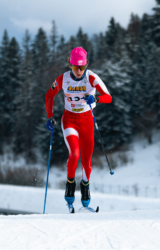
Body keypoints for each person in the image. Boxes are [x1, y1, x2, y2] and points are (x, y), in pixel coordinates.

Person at [45, 47, 112, 207]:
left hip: (87, 121)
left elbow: (108, 98)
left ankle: (85, 185)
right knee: (74, 154)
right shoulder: (63, 79)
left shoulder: (92, 78)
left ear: (86, 64)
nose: (79, 70)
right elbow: (49, 95)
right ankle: (70, 184)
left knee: (87, 162)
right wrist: (50, 116)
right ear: (70, 64)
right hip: (69, 120)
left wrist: (96, 97)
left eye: (82, 67)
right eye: (76, 67)